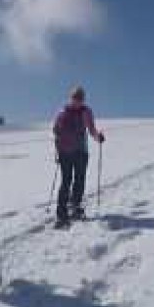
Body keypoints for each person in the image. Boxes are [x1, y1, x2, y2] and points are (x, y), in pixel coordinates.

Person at [53, 86, 104, 228]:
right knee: (75, 180)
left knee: (69, 181)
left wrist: (58, 151)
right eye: (77, 98)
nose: (78, 101)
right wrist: (98, 137)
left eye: (79, 98)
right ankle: (71, 209)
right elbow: (91, 129)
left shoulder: (62, 111)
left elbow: (56, 132)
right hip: (78, 151)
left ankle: (64, 213)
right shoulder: (84, 111)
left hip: (67, 152)